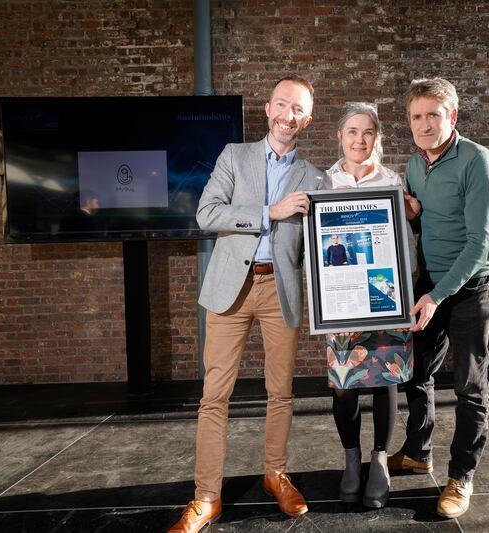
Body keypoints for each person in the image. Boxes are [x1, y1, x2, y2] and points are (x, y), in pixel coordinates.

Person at [167, 75, 325, 533]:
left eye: (297, 109)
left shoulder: (314, 177)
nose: (287, 115)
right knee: (214, 396)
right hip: (231, 290)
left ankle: (275, 473)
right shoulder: (235, 156)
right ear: (267, 108)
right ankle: (206, 497)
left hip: (282, 291)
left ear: (307, 119)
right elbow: (207, 213)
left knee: (282, 393)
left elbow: (329, 240)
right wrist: (268, 214)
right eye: (281, 104)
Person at [387, 78, 489, 519]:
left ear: (452, 116)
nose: (424, 124)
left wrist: (435, 295)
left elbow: (480, 245)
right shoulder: (415, 166)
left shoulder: (477, 161)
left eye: (433, 115)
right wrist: (413, 220)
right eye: (416, 116)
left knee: (469, 385)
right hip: (431, 283)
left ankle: (461, 476)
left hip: (470, 288)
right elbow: (428, 229)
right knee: (415, 371)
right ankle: (418, 450)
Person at [323, 102, 417, 509]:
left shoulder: (394, 180)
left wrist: (412, 215)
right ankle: (351, 458)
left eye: (368, 132)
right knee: (345, 384)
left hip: (386, 295)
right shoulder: (323, 182)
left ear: (377, 137)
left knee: (385, 378)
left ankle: (379, 458)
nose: (360, 140)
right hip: (341, 300)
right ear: (339, 136)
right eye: (352, 132)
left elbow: (407, 241)